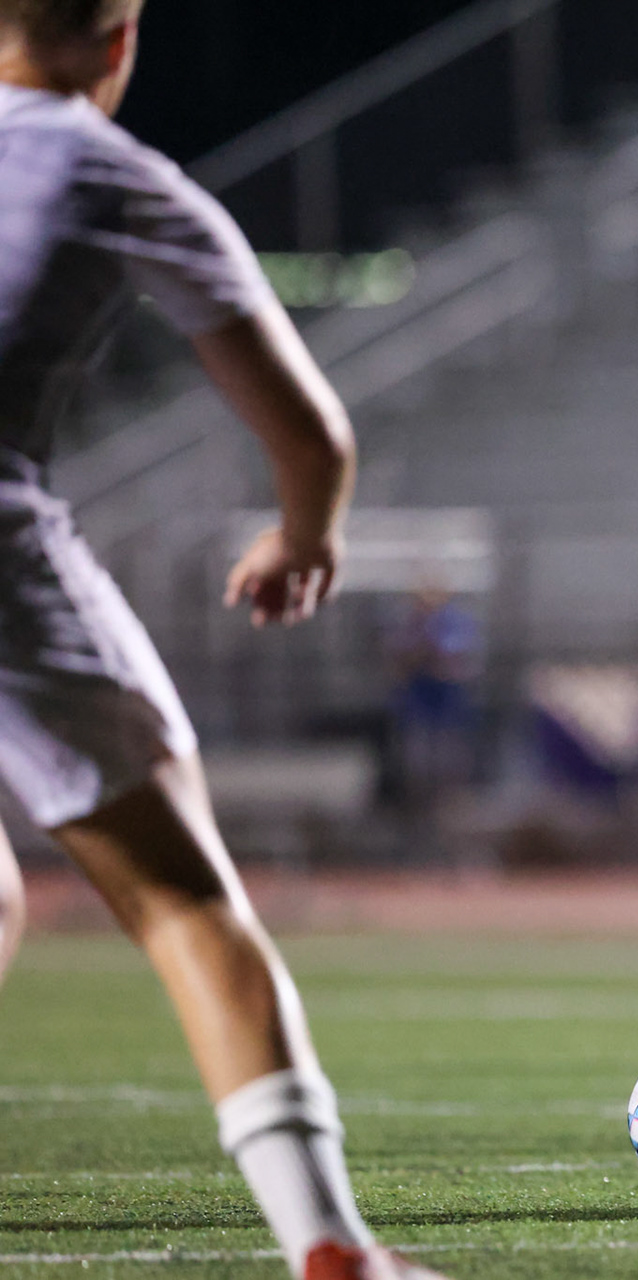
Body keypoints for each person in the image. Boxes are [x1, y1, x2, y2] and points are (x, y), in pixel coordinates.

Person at [0, 3, 448, 1276]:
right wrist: (306, 533)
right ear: (121, 41)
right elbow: (312, 432)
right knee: (187, 902)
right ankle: (330, 1247)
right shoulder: (118, 174)